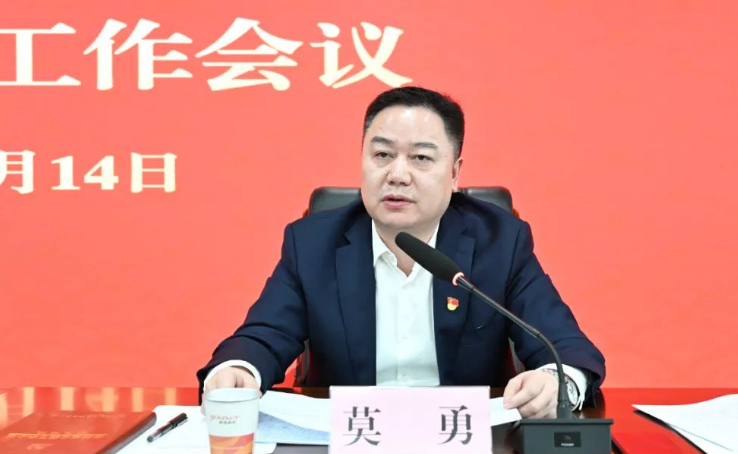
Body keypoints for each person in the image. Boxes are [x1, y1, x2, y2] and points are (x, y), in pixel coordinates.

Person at [197, 86, 605, 419]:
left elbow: (563, 345)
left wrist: (556, 383)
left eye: (421, 158)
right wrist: (238, 370)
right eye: (382, 155)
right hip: (351, 438)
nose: (397, 174)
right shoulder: (313, 243)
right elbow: (265, 336)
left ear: (454, 173)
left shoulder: (500, 241)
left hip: (464, 439)